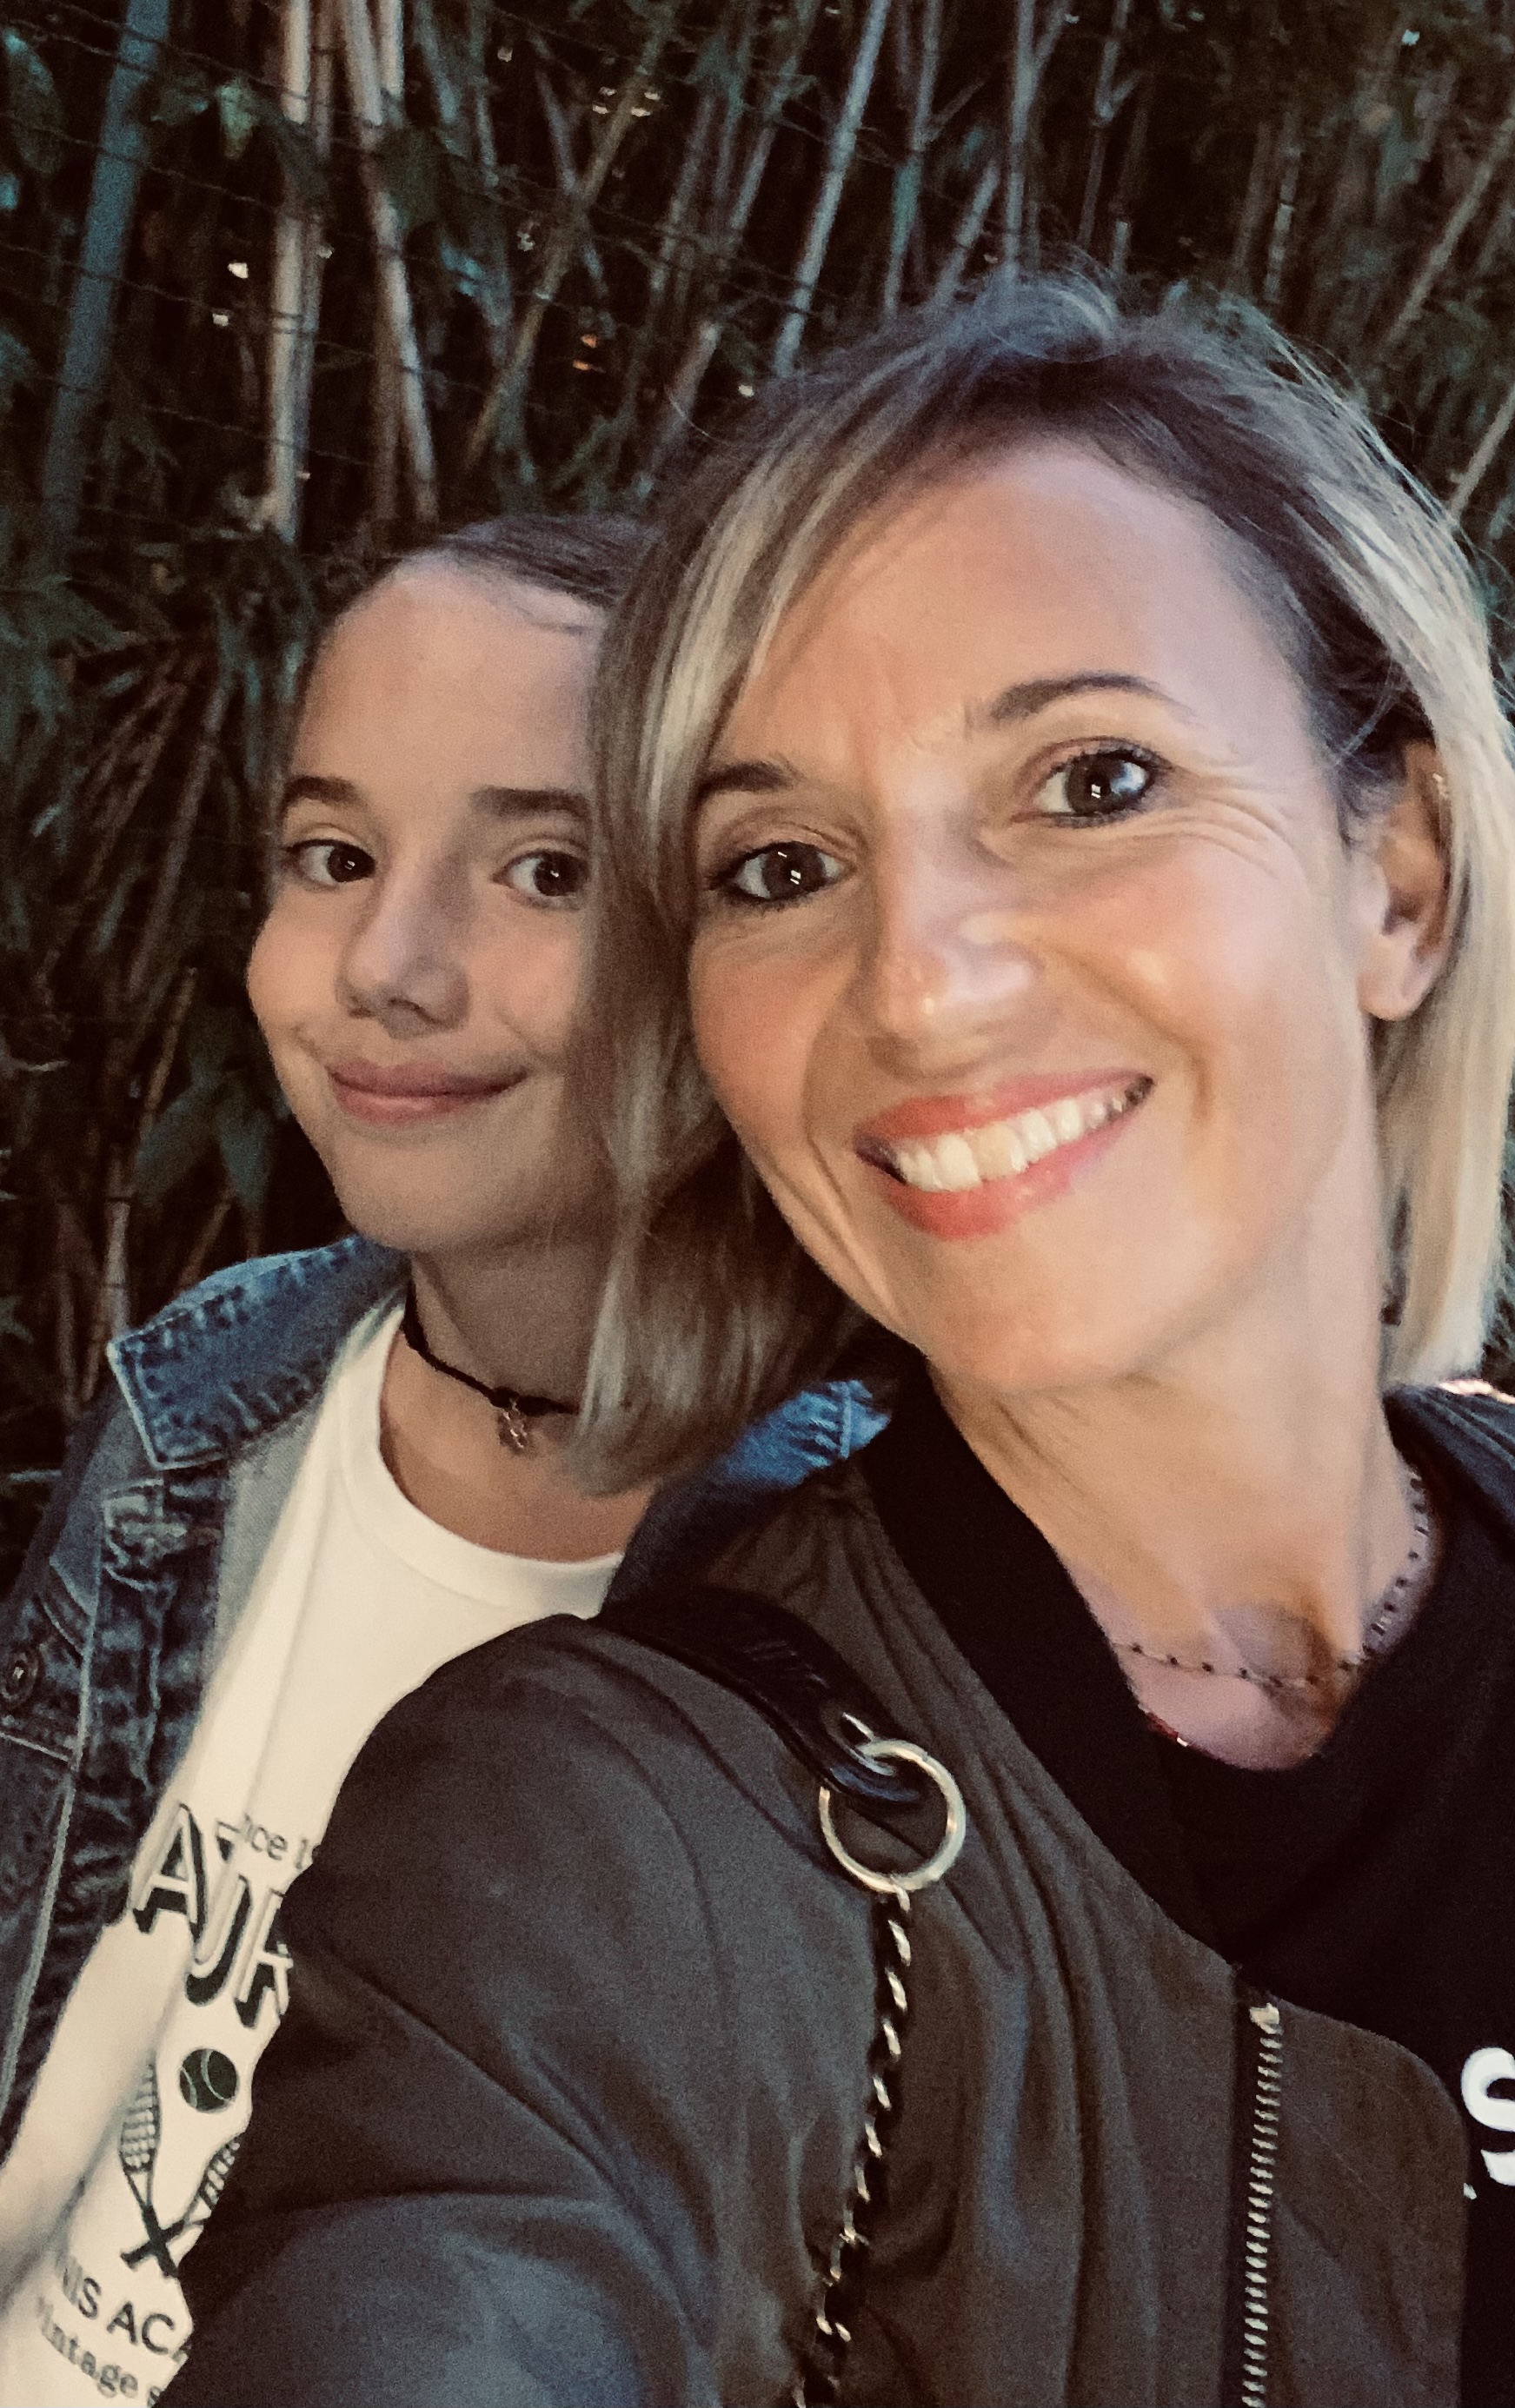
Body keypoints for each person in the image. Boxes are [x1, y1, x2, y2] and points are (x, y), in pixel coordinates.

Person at [169, 288, 1515, 2408]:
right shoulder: (607, 1830)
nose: (916, 986)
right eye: (780, 865)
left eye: (1088, 781)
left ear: (1392, 875)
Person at [0, 514, 876, 2408]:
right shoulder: (205, 1401)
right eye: (332, 857)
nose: (386, 967)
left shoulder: (865, 1603)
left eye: (545, 871)